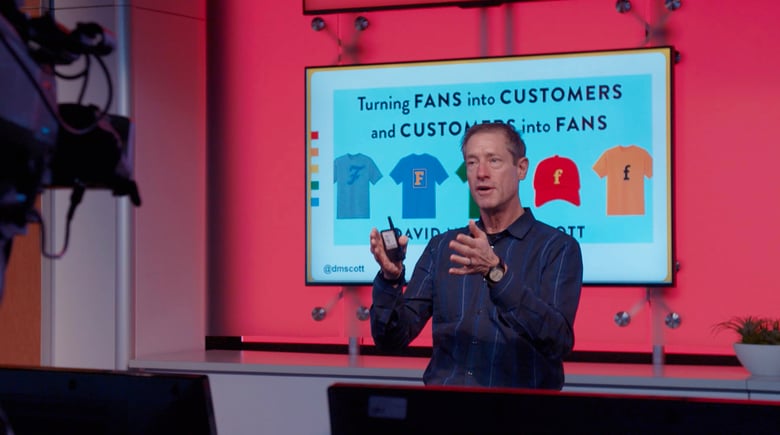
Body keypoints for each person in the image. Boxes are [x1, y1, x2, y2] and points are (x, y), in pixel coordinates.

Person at [369, 122, 583, 389]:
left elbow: (558, 341)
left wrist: (496, 274)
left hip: (519, 410)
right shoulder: (442, 247)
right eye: (472, 163)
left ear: (521, 168)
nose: (481, 173)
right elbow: (391, 341)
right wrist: (390, 280)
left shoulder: (557, 248)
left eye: (494, 161)